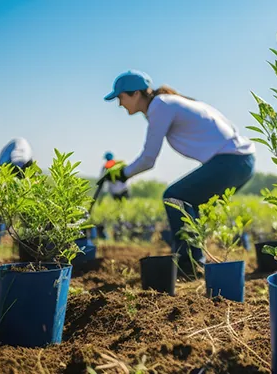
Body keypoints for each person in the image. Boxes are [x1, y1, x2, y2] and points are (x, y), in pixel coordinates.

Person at [102, 70, 256, 276]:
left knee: (174, 198)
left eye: (120, 98)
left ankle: (189, 267)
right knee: (190, 205)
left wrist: (123, 174)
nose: (120, 104)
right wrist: (125, 171)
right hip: (240, 161)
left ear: (135, 94)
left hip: (232, 161)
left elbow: (149, 158)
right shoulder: (167, 103)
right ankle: (194, 263)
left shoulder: (160, 105)